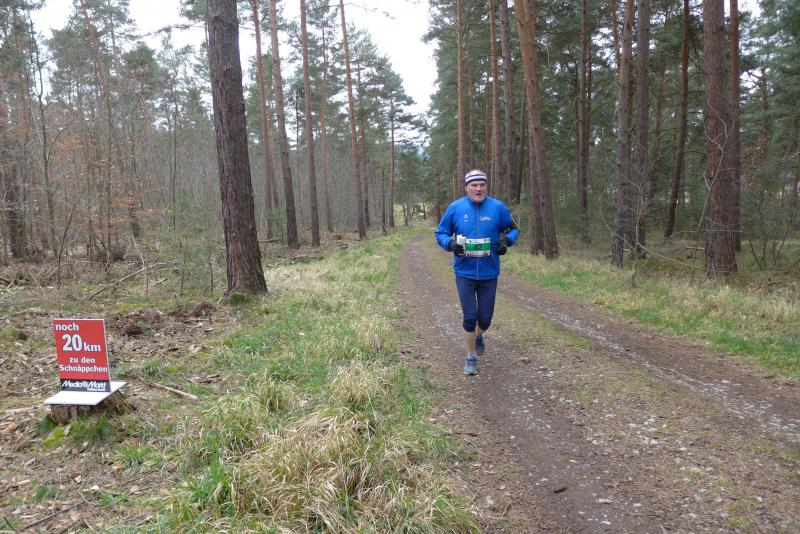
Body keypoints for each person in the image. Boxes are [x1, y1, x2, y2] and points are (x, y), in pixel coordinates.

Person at [435, 169, 520, 375]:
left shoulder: (497, 208)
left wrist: (506, 242)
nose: (478, 189)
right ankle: (471, 358)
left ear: (486, 186)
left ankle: (479, 334)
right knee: (470, 316)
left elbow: (514, 228)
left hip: (489, 272)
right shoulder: (456, 208)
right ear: (466, 188)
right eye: (474, 185)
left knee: (485, 320)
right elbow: (441, 232)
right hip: (464, 271)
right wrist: (450, 243)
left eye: (482, 185)